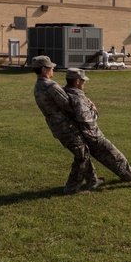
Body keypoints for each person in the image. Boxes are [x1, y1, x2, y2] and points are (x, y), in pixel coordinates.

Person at [64, 68, 131, 186]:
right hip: (92, 135)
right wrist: (94, 109)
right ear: (77, 81)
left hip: (84, 135)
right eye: (83, 80)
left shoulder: (66, 92)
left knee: (112, 159)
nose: (84, 83)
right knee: (116, 157)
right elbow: (84, 117)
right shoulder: (77, 96)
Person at [31, 56, 104, 195]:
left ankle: (93, 181)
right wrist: (87, 105)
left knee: (84, 151)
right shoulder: (50, 85)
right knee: (82, 155)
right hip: (66, 127)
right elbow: (68, 105)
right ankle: (71, 188)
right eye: (50, 67)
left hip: (56, 126)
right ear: (43, 69)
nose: (53, 69)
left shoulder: (38, 86)